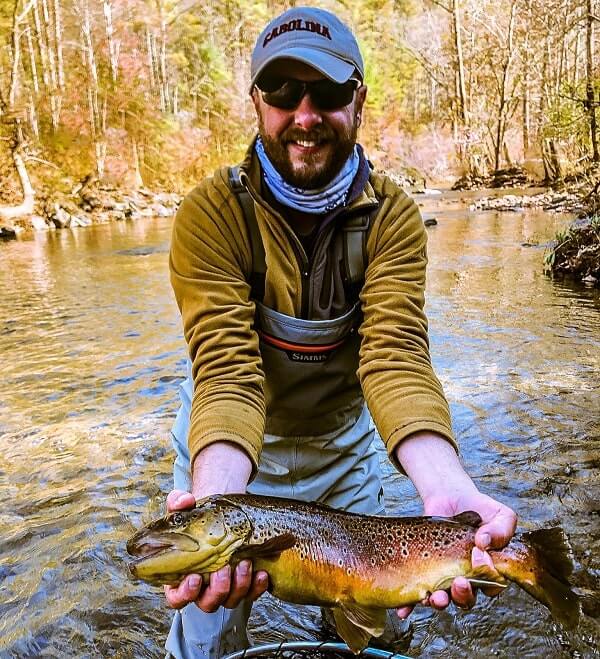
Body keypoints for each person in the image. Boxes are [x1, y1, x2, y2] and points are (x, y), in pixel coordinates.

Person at [163, 6, 517, 658]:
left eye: (325, 92)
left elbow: (395, 358)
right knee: (209, 622)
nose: (304, 114)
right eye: (282, 92)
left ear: (358, 100)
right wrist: (219, 507)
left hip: (342, 456)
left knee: (383, 616)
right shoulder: (210, 214)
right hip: (235, 450)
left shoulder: (394, 218)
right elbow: (227, 371)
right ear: (256, 102)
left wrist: (447, 489)